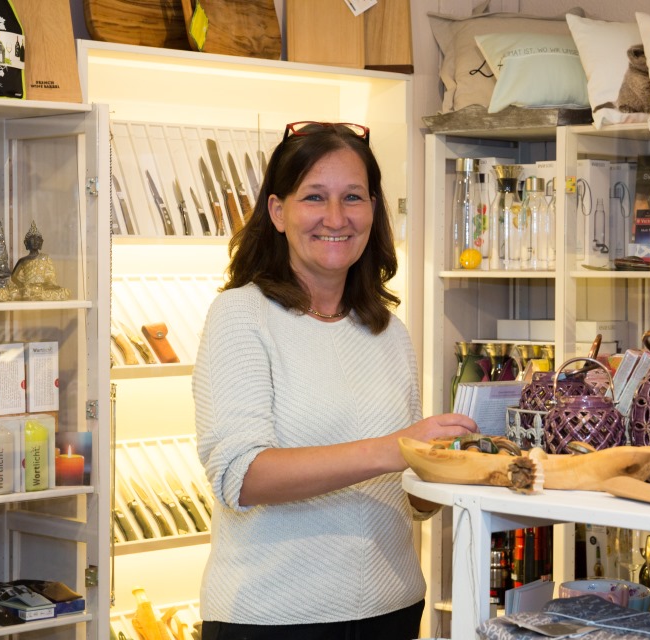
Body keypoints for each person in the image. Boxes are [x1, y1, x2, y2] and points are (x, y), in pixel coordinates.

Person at [192, 121, 478, 639]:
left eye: (352, 197)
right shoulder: (240, 316)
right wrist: (395, 448)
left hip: (392, 610)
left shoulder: (388, 331)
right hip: (272, 618)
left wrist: (447, 467)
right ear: (277, 211)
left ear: (373, 210)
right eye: (314, 197)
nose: (336, 217)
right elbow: (241, 476)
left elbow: (409, 501)